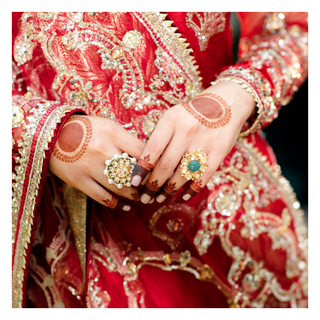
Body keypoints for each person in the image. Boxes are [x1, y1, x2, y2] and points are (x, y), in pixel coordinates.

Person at [12, 12, 308, 308]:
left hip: (235, 221)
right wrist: (45, 132)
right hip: (79, 237)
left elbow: (299, 25)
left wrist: (238, 93)